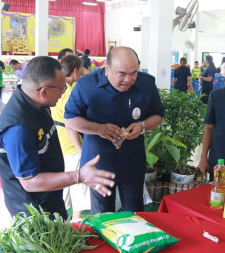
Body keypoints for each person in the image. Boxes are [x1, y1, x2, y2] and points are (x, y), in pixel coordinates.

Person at [0, 56, 115, 219]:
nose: (63, 93)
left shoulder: (35, 104)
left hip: (50, 199)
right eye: (61, 88)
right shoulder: (18, 128)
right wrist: (80, 176)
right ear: (44, 91)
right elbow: (30, 182)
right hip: (34, 213)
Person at [64, 46, 164, 214]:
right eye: (122, 74)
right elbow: (70, 118)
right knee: (103, 217)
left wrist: (143, 126)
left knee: (134, 215)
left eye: (134, 73)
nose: (129, 79)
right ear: (107, 69)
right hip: (98, 163)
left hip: (132, 161)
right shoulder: (86, 84)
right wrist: (98, 129)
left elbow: (158, 116)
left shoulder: (146, 83)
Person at [50, 55, 90, 220]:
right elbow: (70, 123)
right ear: (75, 70)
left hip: (59, 139)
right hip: (70, 141)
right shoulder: (70, 92)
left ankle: (63, 215)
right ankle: (77, 218)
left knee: (66, 179)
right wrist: (81, 150)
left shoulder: (58, 87)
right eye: (80, 69)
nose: (81, 73)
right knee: (77, 181)